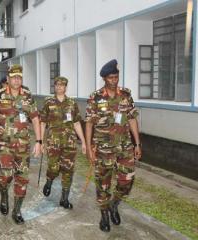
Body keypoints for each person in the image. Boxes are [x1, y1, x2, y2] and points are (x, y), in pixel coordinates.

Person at [85, 59, 142, 232]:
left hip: (124, 147)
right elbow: (89, 123)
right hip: (103, 149)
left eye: (116, 76)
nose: (114, 80)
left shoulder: (125, 94)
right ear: (104, 78)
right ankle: (104, 215)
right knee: (103, 184)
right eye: (111, 77)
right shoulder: (95, 97)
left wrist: (137, 143)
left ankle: (114, 204)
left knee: (127, 180)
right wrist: (88, 148)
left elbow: (132, 118)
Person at [0, 64, 42, 224]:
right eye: (13, 77)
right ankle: (4, 195)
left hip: (23, 145)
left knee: (22, 178)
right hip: (5, 145)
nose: (16, 80)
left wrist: (39, 141)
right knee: (5, 176)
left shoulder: (28, 97)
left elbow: (36, 119)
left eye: (19, 77)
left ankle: (16, 211)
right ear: (9, 79)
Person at [40, 76, 86, 209]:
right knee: (53, 168)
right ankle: (49, 180)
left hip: (69, 143)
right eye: (57, 85)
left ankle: (64, 199)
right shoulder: (48, 102)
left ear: (66, 87)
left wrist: (82, 141)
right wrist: (41, 141)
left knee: (68, 170)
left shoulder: (72, 103)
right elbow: (43, 122)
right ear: (54, 87)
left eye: (62, 85)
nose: (60, 87)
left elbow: (76, 123)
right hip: (53, 142)